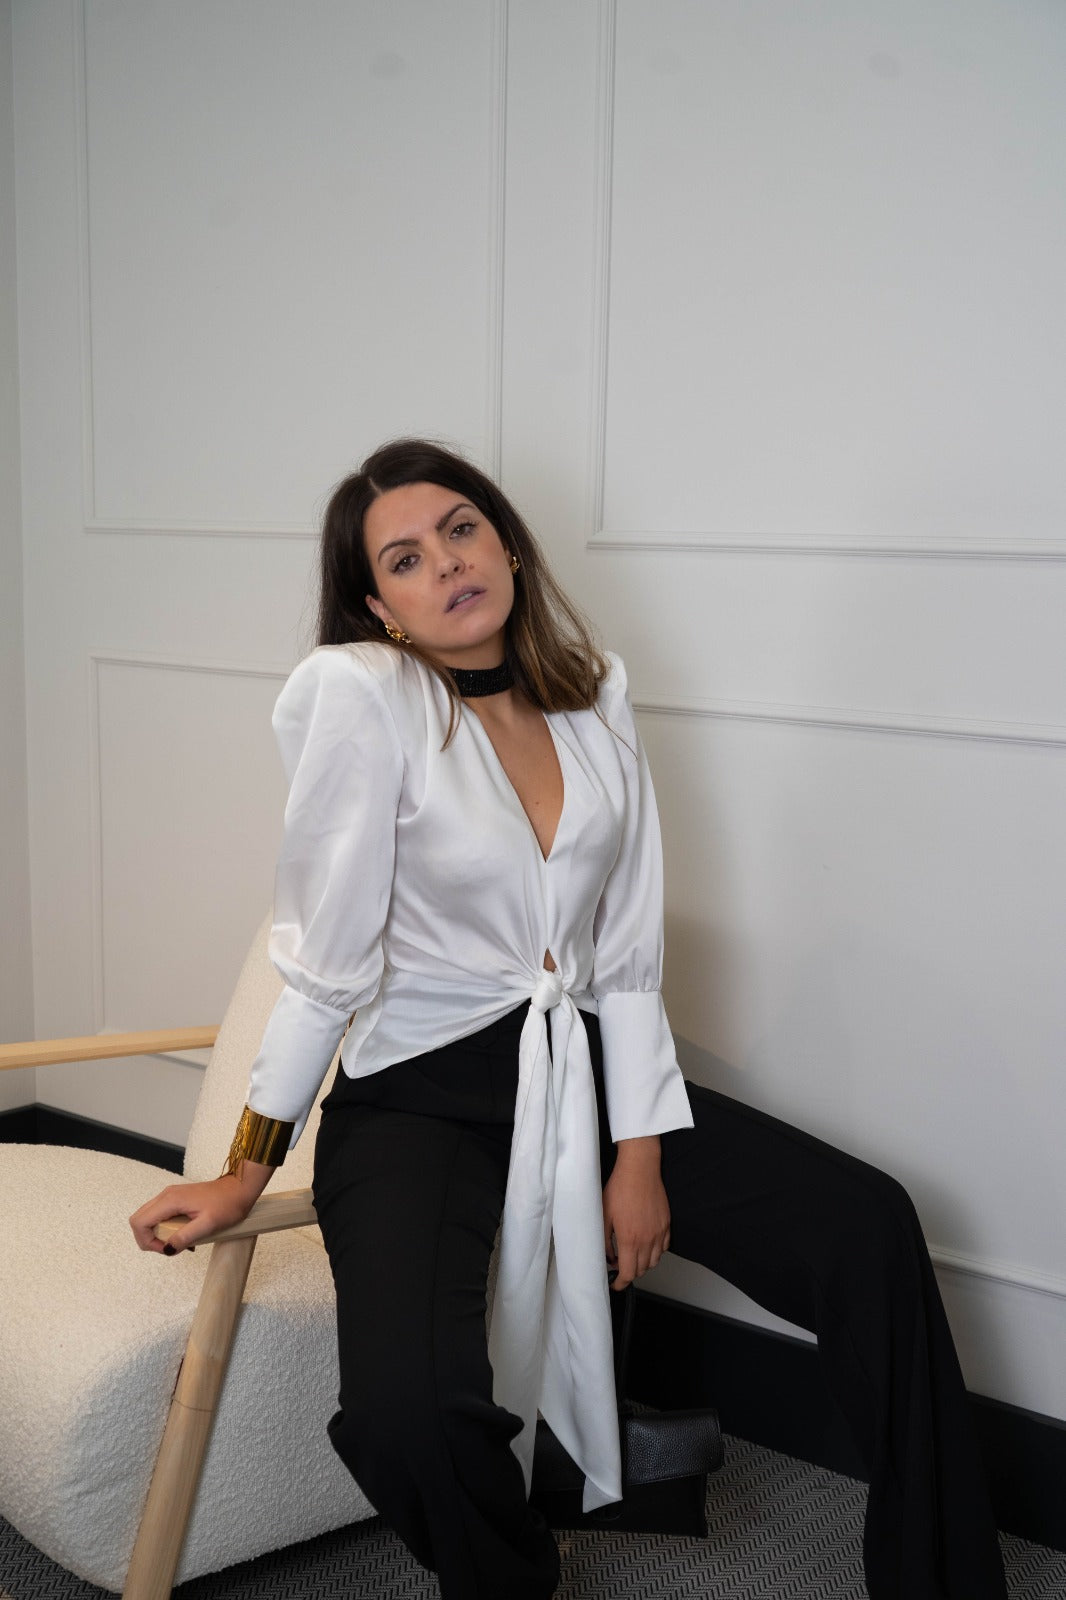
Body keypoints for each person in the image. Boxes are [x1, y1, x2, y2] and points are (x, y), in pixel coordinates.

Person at [131, 439, 1007, 1600]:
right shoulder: (365, 699)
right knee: (403, 1415)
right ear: (377, 606)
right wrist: (247, 1168)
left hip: (579, 1076)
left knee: (866, 1225)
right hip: (416, 1101)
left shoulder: (594, 698)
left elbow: (626, 958)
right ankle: (512, 1575)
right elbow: (323, 968)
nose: (446, 562)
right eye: (404, 558)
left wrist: (637, 1159)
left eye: (460, 529)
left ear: (504, 542)